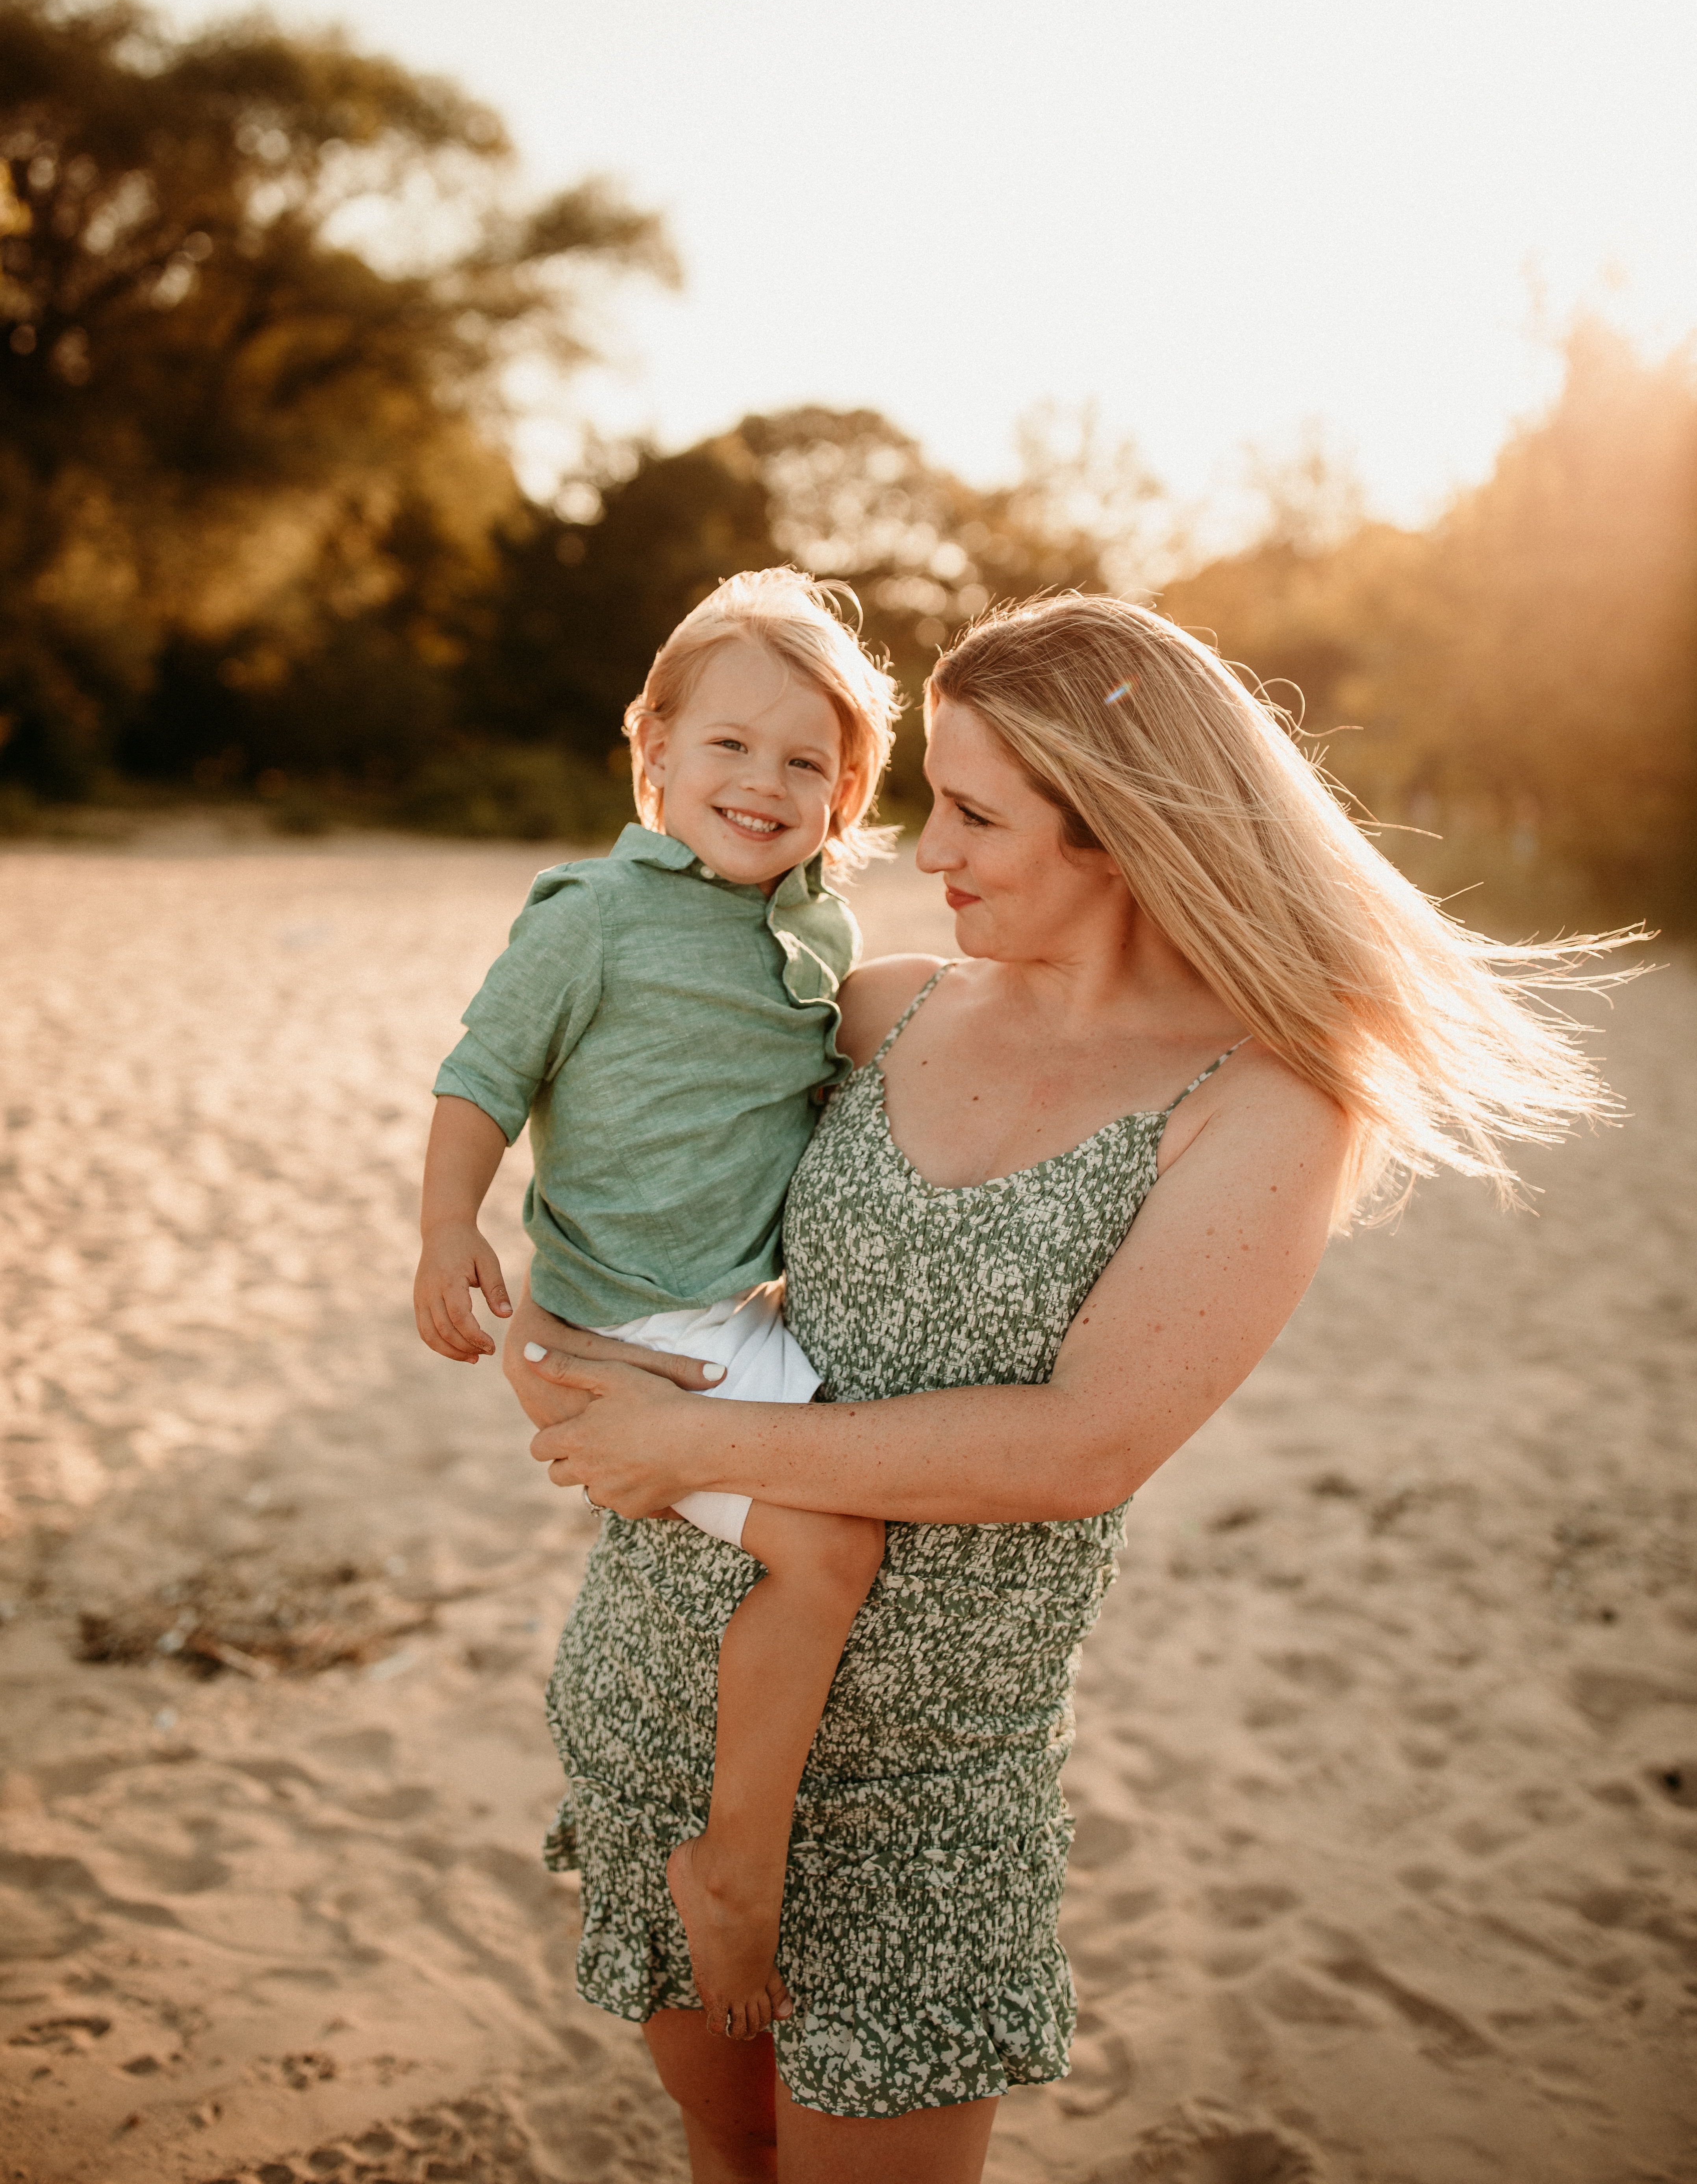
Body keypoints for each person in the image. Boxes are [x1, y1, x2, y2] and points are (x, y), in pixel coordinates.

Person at [520, 593, 1635, 2184]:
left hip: (932, 1772)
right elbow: (642, 1174)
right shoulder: (871, 1009)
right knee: (725, 2141)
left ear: (1114, 829)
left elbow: (1082, 1443)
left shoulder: (1259, 1101)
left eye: (972, 813)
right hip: (666, 1687)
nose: (922, 848)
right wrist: (546, 1322)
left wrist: (687, 1431)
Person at [414, 569, 900, 2040]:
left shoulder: (825, 948)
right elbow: (482, 1074)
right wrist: (447, 1229)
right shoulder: (594, 917)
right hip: (623, 1336)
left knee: (868, 1495)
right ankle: (733, 1866)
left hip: (732, 1322)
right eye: (730, 748)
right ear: (656, 761)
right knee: (831, 1553)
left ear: (848, 794)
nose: (765, 783)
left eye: (807, 762)